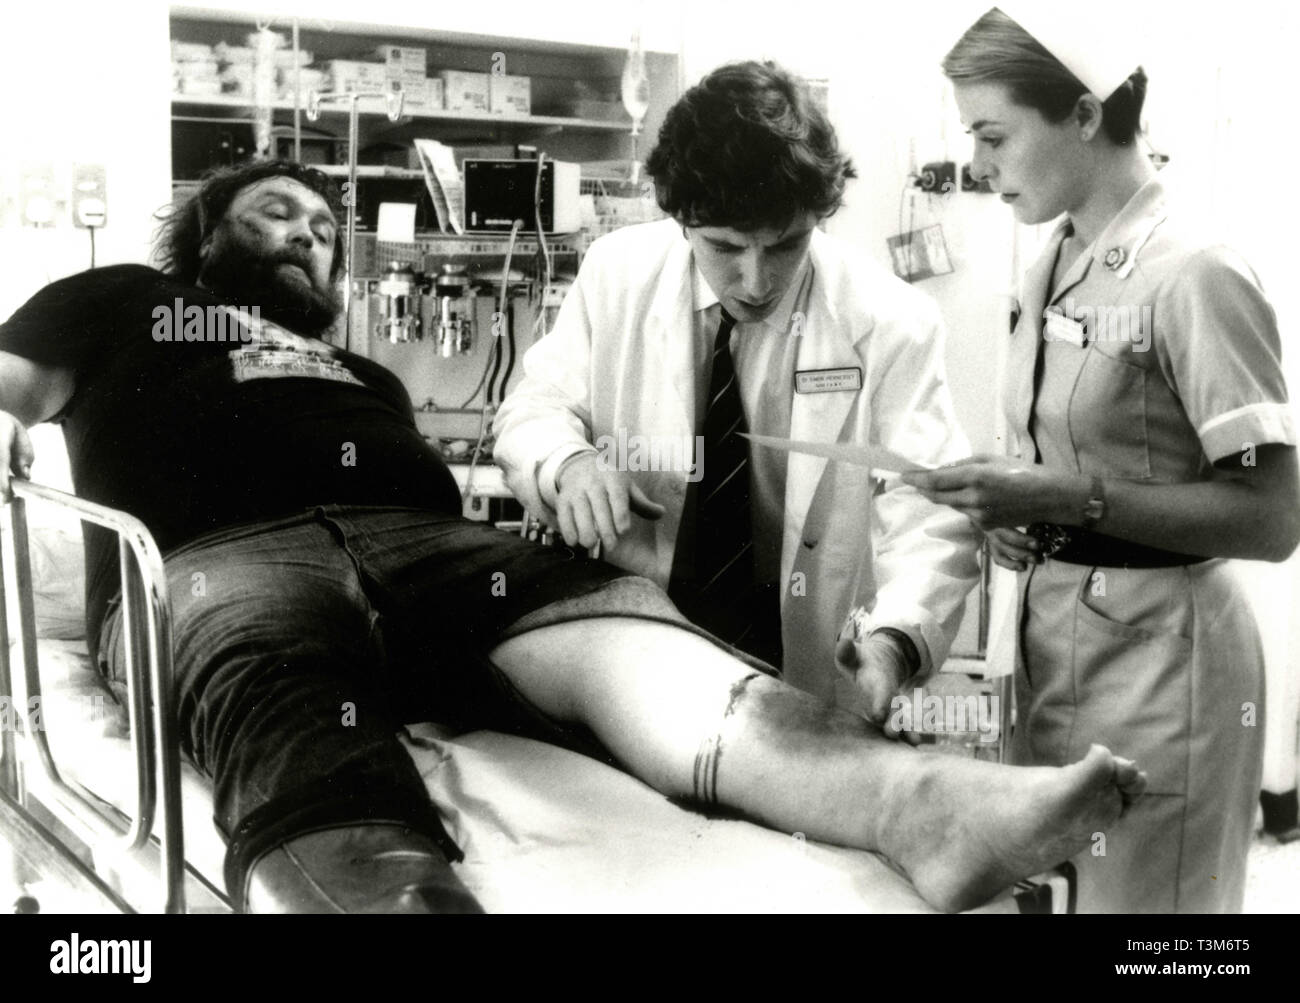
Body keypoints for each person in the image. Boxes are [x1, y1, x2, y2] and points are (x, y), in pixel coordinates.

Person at [0, 159, 1147, 914]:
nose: (304, 235)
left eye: (320, 226)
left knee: (626, 629)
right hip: (225, 559)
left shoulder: (363, 372)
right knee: (285, 708)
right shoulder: (114, 303)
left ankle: (917, 805)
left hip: (430, 551)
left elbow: (514, 430)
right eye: (273, 213)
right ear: (205, 234)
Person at [900, 6, 1300, 912]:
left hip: (1166, 665)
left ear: (1084, 115)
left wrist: (1066, 496)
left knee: (1157, 943)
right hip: (1051, 648)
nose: (977, 165)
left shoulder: (1197, 271)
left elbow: (1275, 517)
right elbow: (1073, 454)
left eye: (993, 135)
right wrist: (1019, 516)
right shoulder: (1052, 260)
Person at [494, 61, 980, 716]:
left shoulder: (892, 323)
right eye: (726, 247)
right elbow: (536, 410)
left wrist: (893, 642)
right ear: (682, 219)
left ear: (817, 218)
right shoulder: (619, 275)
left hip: (808, 668)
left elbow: (930, 512)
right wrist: (570, 465)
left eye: (785, 246)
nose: (756, 280)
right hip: (637, 654)